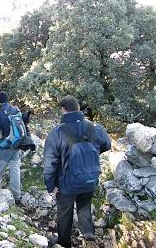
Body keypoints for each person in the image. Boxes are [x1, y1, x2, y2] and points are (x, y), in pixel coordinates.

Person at [43, 95, 111, 248]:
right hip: (90, 178)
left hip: (67, 182)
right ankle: (88, 235)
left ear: (63, 110)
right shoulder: (95, 128)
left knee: (64, 213)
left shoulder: (57, 132)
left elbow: (50, 163)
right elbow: (107, 144)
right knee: (84, 205)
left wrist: (50, 185)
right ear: (78, 108)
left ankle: (63, 243)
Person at [0, 91, 22, 204]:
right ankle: (17, 196)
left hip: (3, 147)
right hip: (16, 146)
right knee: (15, 170)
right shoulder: (16, 110)